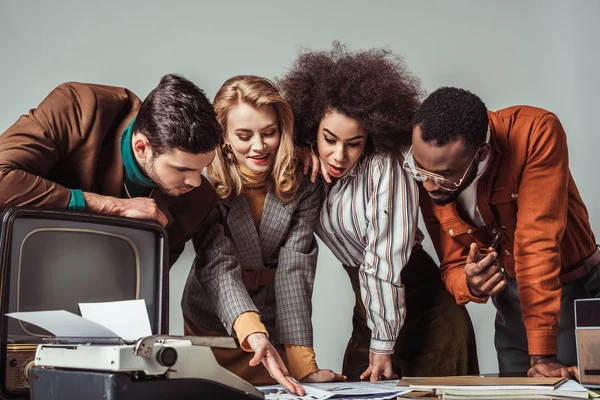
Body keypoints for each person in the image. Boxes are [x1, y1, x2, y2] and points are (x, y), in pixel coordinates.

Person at [278, 44, 479, 382]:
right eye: (329, 139)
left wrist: (383, 343)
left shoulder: (386, 166)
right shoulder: (309, 169)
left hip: (423, 308)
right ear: (312, 128)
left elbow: (383, 262)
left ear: (370, 135)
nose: (339, 155)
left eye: (353, 143)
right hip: (370, 309)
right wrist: (297, 152)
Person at [408, 86, 598, 378]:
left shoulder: (535, 132)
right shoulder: (429, 174)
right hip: (510, 302)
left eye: (444, 176)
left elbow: (537, 245)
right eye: (420, 170)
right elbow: (452, 264)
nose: (429, 185)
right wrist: (469, 283)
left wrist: (542, 355)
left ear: (480, 153)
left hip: (573, 290)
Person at [181, 75, 344, 395]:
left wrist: (303, 365)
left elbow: (294, 271)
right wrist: (252, 332)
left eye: (269, 133)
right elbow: (217, 264)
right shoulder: (203, 186)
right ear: (223, 137)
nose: (259, 146)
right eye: (244, 135)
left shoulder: (305, 184)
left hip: (275, 321)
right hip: (212, 323)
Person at [0, 74, 221, 266]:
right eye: (182, 169)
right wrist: (111, 206)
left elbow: (141, 284)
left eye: (202, 167)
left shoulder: (198, 202)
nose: (195, 182)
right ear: (142, 147)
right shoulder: (79, 107)